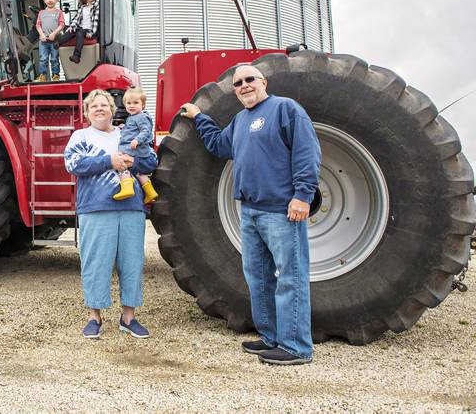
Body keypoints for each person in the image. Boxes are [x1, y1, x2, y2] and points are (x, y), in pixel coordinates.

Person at [180, 64, 320, 365]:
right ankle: (270, 337)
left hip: (282, 211)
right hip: (251, 211)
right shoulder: (240, 120)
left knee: (290, 278)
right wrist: (200, 118)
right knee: (258, 277)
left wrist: (302, 196)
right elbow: (220, 145)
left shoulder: (285, 109)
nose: (244, 85)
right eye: (238, 83)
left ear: (263, 82)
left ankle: (296, 347)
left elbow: (307, 152)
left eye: (249, 80)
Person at [64, 89, 157, 339]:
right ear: (87, 112)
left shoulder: (127, 133)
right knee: (96, 263)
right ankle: (94, 316)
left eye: (104, 105)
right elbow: (72, 164)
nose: (99, 109)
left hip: (131, 208)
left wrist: (131, 163)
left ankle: (129, 317)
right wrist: (108, 161)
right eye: (94, 106)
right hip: (95, 208)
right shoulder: (80, 136)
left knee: (132, 263)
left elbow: (151, 162)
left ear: (112, 109)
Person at [113, 87, 158, 204]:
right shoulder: (133, 117)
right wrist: (124, 127)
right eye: (128, 103)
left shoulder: (142, 117)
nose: (131, 106)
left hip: (134, 149)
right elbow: (133, 129)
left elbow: (146, 131)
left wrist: (137, 140)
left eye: (135, 103)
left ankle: (127, 188)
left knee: (121, 164)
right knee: (139, 172)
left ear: (143, 105)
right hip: (136, 150)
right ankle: (150, 192)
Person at [58, 0, 99, 64]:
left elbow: (96, 21)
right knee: (70, 32)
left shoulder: (97, 5)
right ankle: (57, 43)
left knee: (80, 32)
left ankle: (76, 56)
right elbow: (76, 18)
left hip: (89, 30)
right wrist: (71, 27)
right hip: (81, 28)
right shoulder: (83, 7)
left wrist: (91, 33)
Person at [35, 0, 65, 81]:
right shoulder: (41, 13)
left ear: (56, 0)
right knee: (43, 59)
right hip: (43, 40)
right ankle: (42, 76)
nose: (50, 0)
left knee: (54, 59)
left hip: (54, 40)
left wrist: (54, 34)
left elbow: (62, 24)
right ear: (44, 0)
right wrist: (41, 35)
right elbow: (38, 25)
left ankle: (55, 75)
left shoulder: (58, 12)